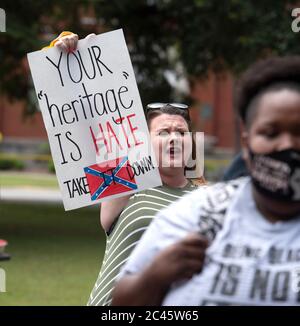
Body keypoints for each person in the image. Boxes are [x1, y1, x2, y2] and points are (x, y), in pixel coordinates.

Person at [113, 56, 300, 306]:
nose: (287, 145)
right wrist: (154, 276)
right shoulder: (192, 215)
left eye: (180, 133)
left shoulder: (195, 190)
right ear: (246, 143)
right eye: (270, 132)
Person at [47, 32, 207, 306]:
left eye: (180, 133)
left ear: (192, 141)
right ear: (145, 140)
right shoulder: (126, 182)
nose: (173, 139)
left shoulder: (206, 199)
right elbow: (88, 122)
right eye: (163, 132)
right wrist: (72, 55)